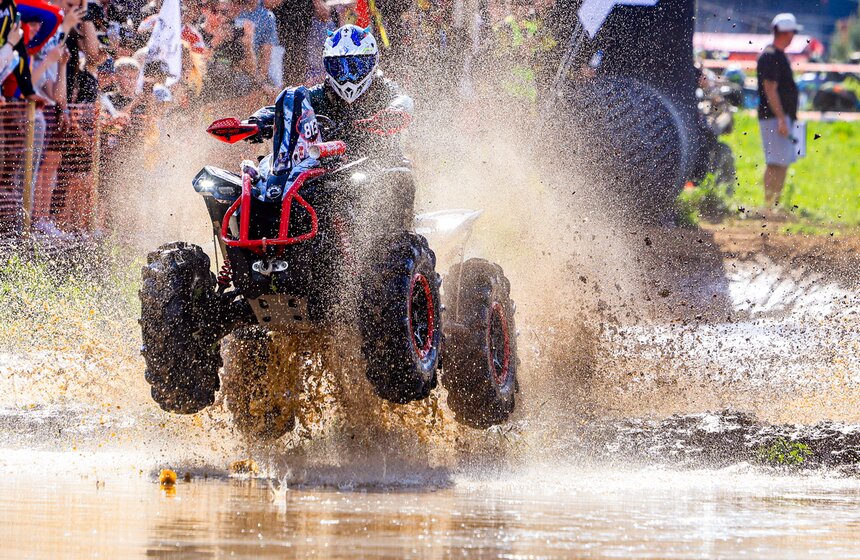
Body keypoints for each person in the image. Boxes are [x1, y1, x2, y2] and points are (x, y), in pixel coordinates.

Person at [247, 24, 415, 223]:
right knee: (259, 182)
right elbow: (286, 109)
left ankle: (402, 239)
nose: (346, 76)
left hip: (378, 164)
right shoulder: (319, 94)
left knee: (399, 178)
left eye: (354, 67)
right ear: (328, 67)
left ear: (372, 63)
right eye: (338, 67)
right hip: (328, 170)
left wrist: (394, 112)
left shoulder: (383, 89)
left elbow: (403, 100)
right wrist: (258, 120)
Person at [757, 13, 801, 210]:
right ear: (786, 32)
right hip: (774, 118)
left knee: (782, 162)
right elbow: (770, 89)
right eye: (792, 31)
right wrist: (782, 119)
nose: (793, 36)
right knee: (775, 162)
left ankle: (774, 205)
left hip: (781, 117)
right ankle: (769, 206)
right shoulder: (770, 56)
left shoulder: (777, 55)